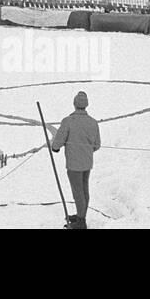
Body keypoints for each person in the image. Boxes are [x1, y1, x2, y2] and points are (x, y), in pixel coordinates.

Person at [50, 91, 101, 228]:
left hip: (74, 165)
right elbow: (97, 145)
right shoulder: (93, 122)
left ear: (74, 104)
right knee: (84, 190)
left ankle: (81, 221)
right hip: (87, 163)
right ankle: (80, 215)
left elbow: (58, 141)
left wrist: (55, 148)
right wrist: (86, 151)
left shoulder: (68, 121)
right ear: (86, 105)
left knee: (78, 192)